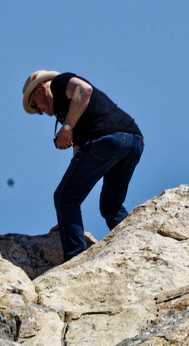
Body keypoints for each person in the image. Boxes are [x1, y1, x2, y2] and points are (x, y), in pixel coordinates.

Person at [22, 71, 144, 262]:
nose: (37, 110)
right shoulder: (69, 110)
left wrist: (67, 128)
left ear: (41, 87)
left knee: (64, 197)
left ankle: (75, 259)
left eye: (33, 104)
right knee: (110, 206)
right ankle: (139, 247)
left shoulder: (59, 83)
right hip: (133, 141)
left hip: (107, 139)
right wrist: (67, 219)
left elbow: (84, 89)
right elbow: (79, 156)